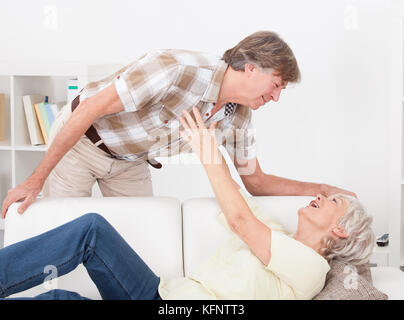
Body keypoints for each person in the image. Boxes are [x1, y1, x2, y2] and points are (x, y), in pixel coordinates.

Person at [0, 109, 374, 300]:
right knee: (59, 295)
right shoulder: (276, 236)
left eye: (332, 201)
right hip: (161, 293)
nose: (320, 199)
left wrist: (205, 149)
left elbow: (241, 220)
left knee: (92, 232)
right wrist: (214, 136)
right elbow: (238, 197)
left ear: (340, 229)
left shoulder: (311, 268)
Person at [2, 31, 356, 219]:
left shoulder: (239, 116)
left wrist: (321, 189)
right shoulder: (175, 68)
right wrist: (37, 179)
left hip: (130, 161)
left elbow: (257, 182)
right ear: (252, 68)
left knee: (139, 235)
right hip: (84, 140)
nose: (276, 97)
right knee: (63, 228)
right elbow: (88, 109)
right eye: (276, 85)